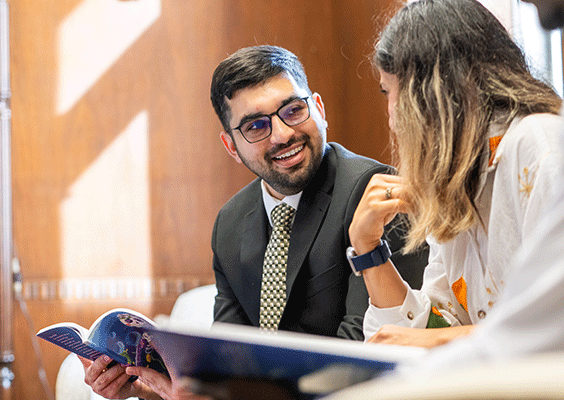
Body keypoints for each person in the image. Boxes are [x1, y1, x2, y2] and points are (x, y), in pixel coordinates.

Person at [80, 45, 428, 399]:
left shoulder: (376, 195)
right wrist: (151, 387)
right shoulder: (230, 222)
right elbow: (226, 361)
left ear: (319, 109)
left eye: (293, 110)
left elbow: (367, 355)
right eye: (256, 125)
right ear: (231, 146)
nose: (282, 134)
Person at [348, 0, 564, 349]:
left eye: (389, 92)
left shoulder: (538, 142)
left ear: (432, 92)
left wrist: (434, 341)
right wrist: (368, 251)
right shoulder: (457, 180)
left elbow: (551, 324)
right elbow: (437, 324)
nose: (391, 117)